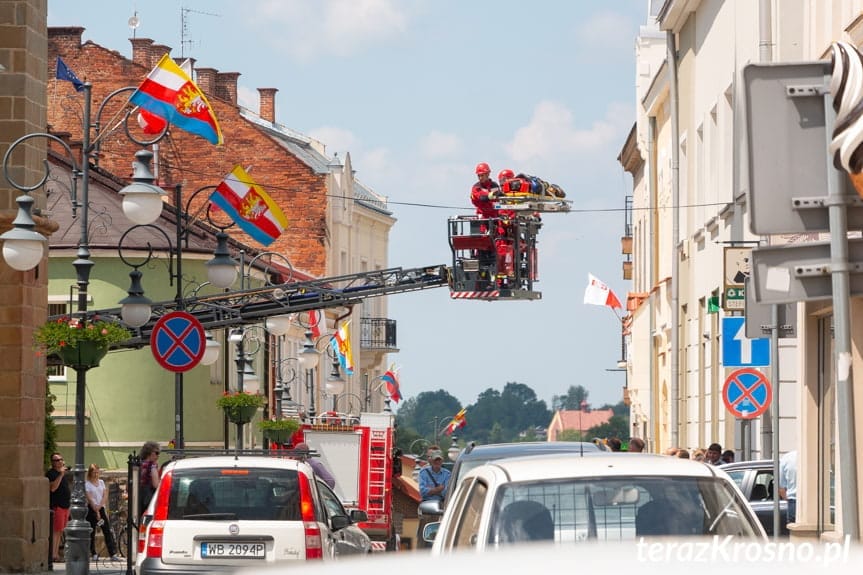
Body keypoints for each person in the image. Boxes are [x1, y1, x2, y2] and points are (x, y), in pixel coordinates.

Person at [85, 464, 120, 561]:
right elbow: (90, 498)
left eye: (97, 472)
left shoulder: (101, 482)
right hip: (91, 509)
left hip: (101, 508)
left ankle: (112, 553)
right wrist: (96, 511)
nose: (96, 474)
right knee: (91, 532)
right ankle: (94, 553)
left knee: (107, 530)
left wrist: (100, 507)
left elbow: (105, 495)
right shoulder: (87, 484)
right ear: (90, 472)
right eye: (94, 472)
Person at [47, 452, 71, 562]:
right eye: (57, 460)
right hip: (57, 506)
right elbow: (53, 488)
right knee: (56, 532)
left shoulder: (62, 474)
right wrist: (61, 475)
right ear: (53, 463)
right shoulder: (51, 474)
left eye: (61, 459)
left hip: (65, 507)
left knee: (60, 531)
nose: (60, 461)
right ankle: (53, 555)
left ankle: (55, 554)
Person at [139, 441, 161, 515]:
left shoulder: (137, 465)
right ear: (150, 453)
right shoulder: (152, 466)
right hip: (148, 498)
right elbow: (156, 485)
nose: (158, 455)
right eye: (157, 453)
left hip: (136, 498)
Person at [779, 450, 798, 524]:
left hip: (793, 501)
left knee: (794, 531)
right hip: (815, 502)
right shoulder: (815, 456)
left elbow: (781, 488)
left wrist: (787, 499)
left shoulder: (787, 458)